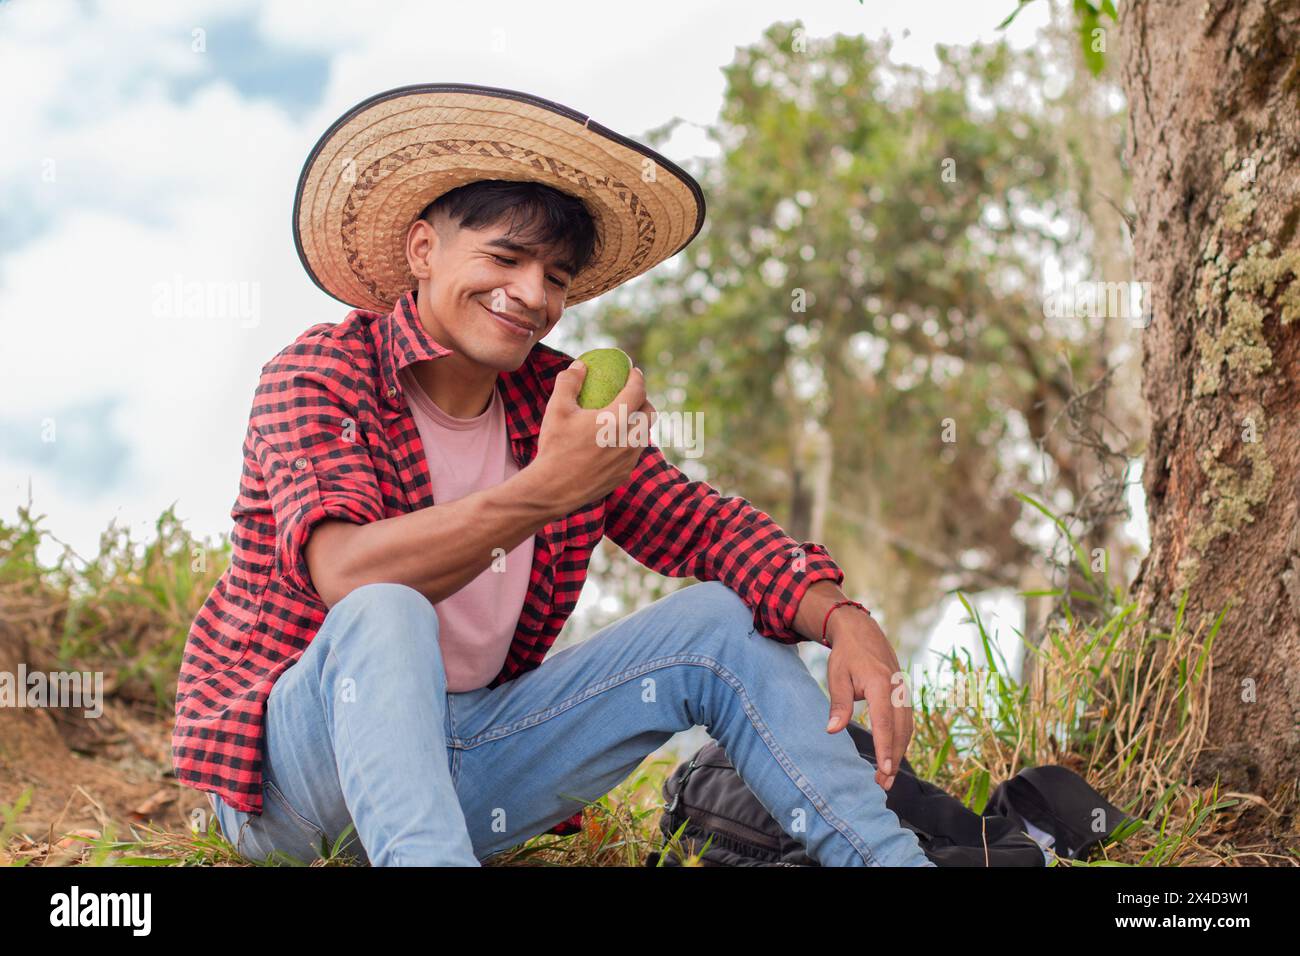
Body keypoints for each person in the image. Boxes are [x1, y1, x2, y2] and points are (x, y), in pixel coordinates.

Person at [172, 82, 934, 867]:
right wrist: (544, 489)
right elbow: (345, 573)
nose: (532, 295)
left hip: (470, 773)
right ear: (424, 249)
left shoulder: (556, 400)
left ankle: (889, 861)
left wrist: (843, 616)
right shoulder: (320, 373)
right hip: (299, 796)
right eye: (504, 257)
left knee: (717, 619)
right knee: (388, 612)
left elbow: (702, 527)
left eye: (557, 276)